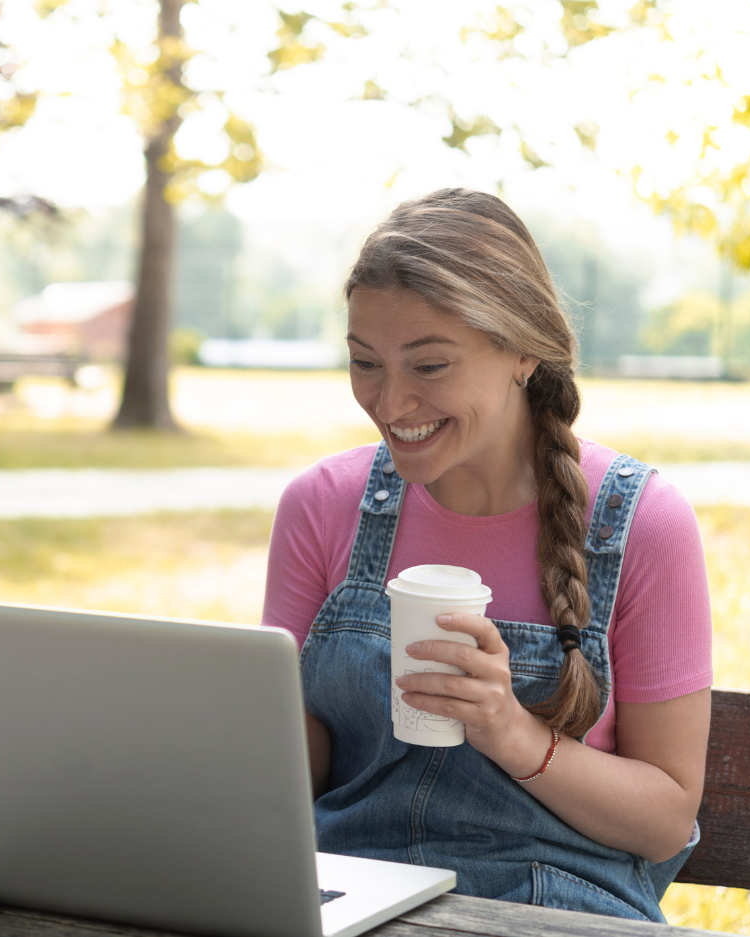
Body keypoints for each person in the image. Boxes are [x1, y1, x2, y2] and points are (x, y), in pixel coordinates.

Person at [261, 188, 712, 922]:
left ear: (523, 349)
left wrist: (508, 728)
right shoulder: (319, 505)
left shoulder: (638, 523)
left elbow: (664, 818)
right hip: (351, 895)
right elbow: (293, 774)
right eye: (365, 362)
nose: (391, 402)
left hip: (557, 905)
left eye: (429, 365)